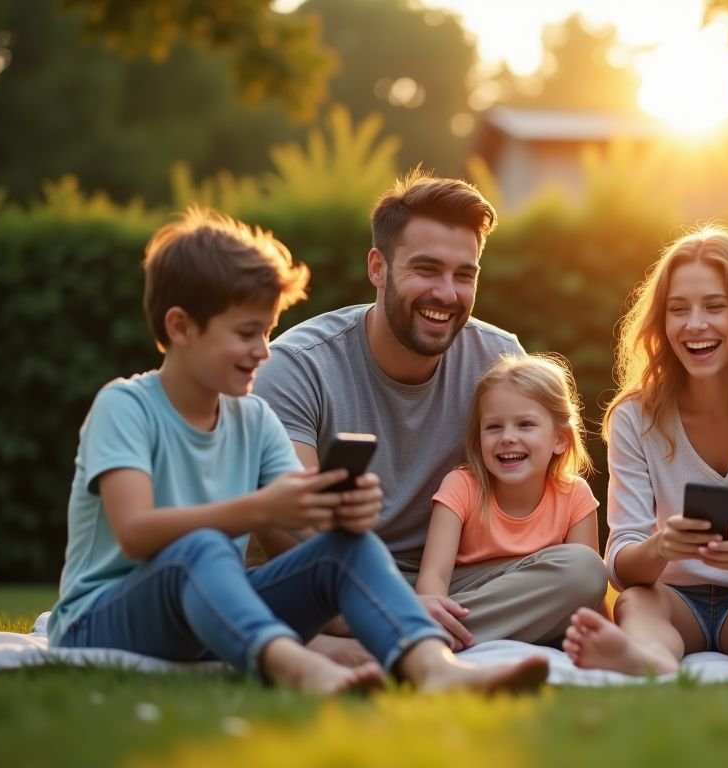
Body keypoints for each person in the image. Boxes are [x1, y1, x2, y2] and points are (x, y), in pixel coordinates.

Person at [48, 207, 548, 695]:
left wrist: (344, 514)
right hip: (102, 617)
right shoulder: (125, 406)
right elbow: (135, 534)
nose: (264, 351)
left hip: (207, 613)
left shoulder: (254, 419)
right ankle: (301, 667)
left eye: (266, 332)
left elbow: (308, 533)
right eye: (246, 334)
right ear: (180, 327)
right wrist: (261, 507)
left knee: (349, 548)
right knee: (199, 547)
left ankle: (432, 667)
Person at [253, 172, 605, 657]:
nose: (447, 293)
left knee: (582, 572)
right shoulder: (298, 365)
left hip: (451, 581)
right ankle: (402, 634)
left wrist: (422, 600)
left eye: (465, 275)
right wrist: (383, 596)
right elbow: (287, 526)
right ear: (378, 267)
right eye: (427, 269)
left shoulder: (498, 359)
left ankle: (387, 638)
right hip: (335, 571)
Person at [562, 226, 728, 675]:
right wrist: (663, 547)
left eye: (715, 306)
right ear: (662, 323)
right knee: (637, 602)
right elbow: (621, 561)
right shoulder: (635, 416)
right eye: (677, 309)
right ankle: (650, 660)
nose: (694, 324)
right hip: (673, 597)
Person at [417, 354, 603, 646]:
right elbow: (433, 579)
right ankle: (432, 632)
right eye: (493, 427)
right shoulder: (462, 485)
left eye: (525, 424)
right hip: (464, 592)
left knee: (587, 567)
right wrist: (431, 609)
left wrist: (605, 639)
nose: (507, 437)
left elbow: (588, 588)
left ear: (560, 439)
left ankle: (438, 632)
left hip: (539, 597)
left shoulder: (575, 495)